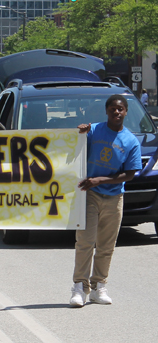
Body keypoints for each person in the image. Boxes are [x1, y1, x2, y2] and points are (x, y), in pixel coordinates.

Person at [69, 94, 141, 308]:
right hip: (89, 195)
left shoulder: (130, 141)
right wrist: (80, 131)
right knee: (85, 242)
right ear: (107, 111)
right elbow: (76, 145)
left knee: (106, 246)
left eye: (120, 109)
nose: (116, 112)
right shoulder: (94, 130)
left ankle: (99, 286)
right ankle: (79, 287)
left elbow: (129, 174)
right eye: (112, 109)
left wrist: (101, 179)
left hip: (114, 197)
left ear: (125, 112)